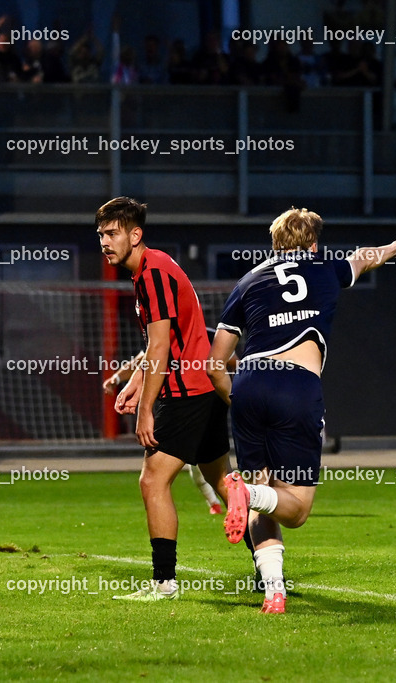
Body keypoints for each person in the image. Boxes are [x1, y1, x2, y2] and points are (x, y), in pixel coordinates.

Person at [208, 207, 396, 614]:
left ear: (273, 243)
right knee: (296, 509)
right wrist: (391, 248)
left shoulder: (247, 281)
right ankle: (245, 493)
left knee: (265, 497)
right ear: (314, 244)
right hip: (295, 386)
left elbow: (215, 365)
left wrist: (239, 399)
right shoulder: (325, 268)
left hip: (249, 383)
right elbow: (363, 258)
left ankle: (274, 593)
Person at [95, 197, 232, 602]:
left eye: (112, 233)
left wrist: (145, 411)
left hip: (187, 391)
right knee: (224, 483)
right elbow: (163, 342)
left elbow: (160, 349)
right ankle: (269, 569)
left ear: (135, 235)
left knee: (153, 479)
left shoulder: (152, 274)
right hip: (203, 388)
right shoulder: (152, 268)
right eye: (101, 234)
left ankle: (164, 583)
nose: (104, 242)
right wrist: (136, 381)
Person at [102, 349, 223, 515]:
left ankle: (229, 501)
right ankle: (234, 504)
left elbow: (151, 354)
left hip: (187, 402)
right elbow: (144, 358)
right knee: (215, 471)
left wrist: (144, 409)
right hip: (208, 402)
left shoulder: (182, 339)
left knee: (153, 480)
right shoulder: (207, 339)